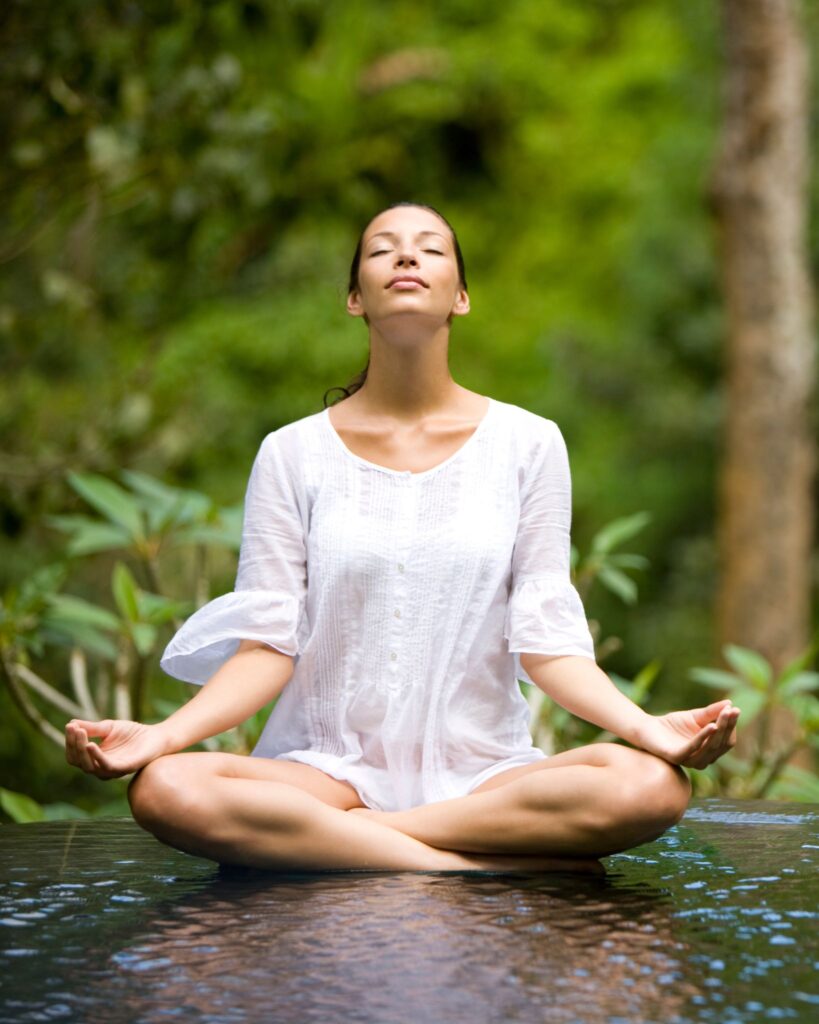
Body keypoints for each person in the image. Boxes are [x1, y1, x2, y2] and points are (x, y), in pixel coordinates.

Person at [64, 202, 739, 873]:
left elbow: (546, 644)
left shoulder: (529, 444)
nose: (407, 257)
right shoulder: (291, 453)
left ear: (461, 297)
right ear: (355, 298)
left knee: (648, 786)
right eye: (383, 248)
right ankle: (465, 868)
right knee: (163, 787)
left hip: (483, 776)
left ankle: (365, 841)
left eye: (430, 248)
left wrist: (647, 729)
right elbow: (266, 645)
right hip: (323, 774)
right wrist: (162, 736)